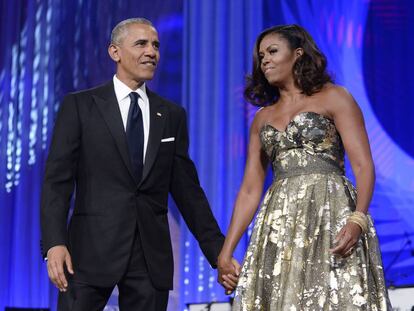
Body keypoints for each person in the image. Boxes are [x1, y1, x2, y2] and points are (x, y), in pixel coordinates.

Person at [40, 17, 239, 311]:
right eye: (141, 44)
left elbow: (188, 192)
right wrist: (54, 243)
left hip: (150, 257)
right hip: (89, 252)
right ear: (115, 52)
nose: (152, 52)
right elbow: (57, 182)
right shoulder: (81, 106)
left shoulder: (171, 115)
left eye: (156, 45)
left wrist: (218, 253)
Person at [217, 24, 392, 310]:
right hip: (279, 224)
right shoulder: (262, 119)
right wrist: (226, 252)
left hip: (330, 214)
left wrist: (357, 219)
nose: (265, 61)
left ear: (298, 54)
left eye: (273, 52)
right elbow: (250, 189)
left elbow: (363, 165)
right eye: (261, 56)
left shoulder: (334, 97)